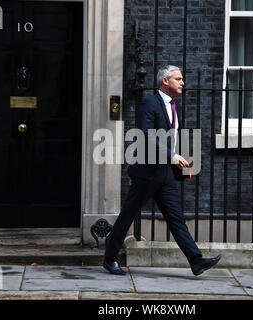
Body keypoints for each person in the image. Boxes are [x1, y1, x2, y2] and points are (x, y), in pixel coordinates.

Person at [103, 65, 221, 276]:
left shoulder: (173, 106)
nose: (182, 82)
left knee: (176, 218)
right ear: (165, 81)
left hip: (166, 173)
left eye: (182, 78)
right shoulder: (150, 103)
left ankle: (196, 261)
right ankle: (109, 258)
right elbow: (146, 135)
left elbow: (173, 137)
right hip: (148, 172)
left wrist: (181, 159)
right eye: (178, 78)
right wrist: (171, 155)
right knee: (128, 215)